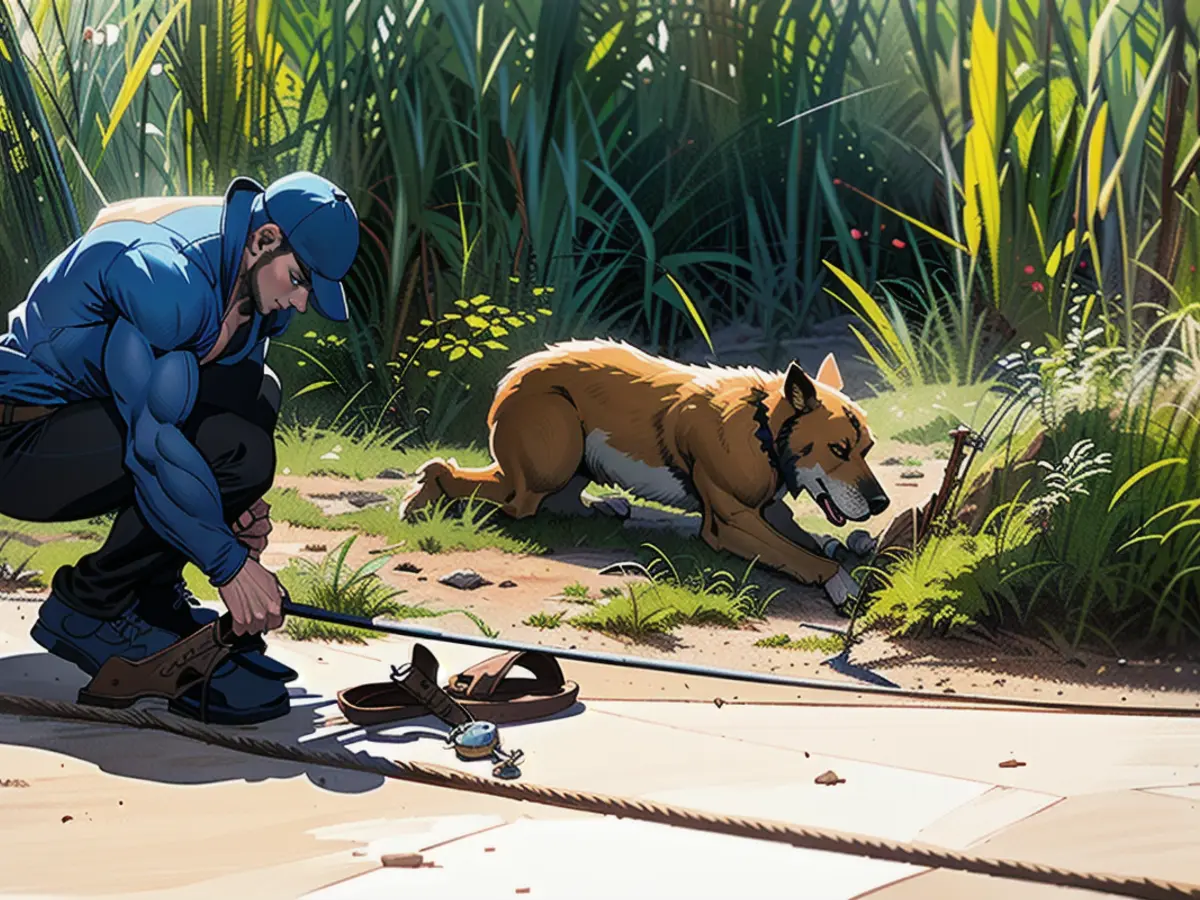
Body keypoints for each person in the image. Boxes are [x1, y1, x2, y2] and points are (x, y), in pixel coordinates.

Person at [0, 171, 359, 725]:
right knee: (225, 446)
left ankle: (149, 595)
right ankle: (89, 609)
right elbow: (155, 446)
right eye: (299, 279)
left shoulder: (256, 286)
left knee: (256, 401)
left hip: (96, 418)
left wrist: (230, 512)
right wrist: (228, 563)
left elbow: (229, 402)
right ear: (265, 240)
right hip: (21, 441)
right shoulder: (167, 283)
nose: (302, 302)